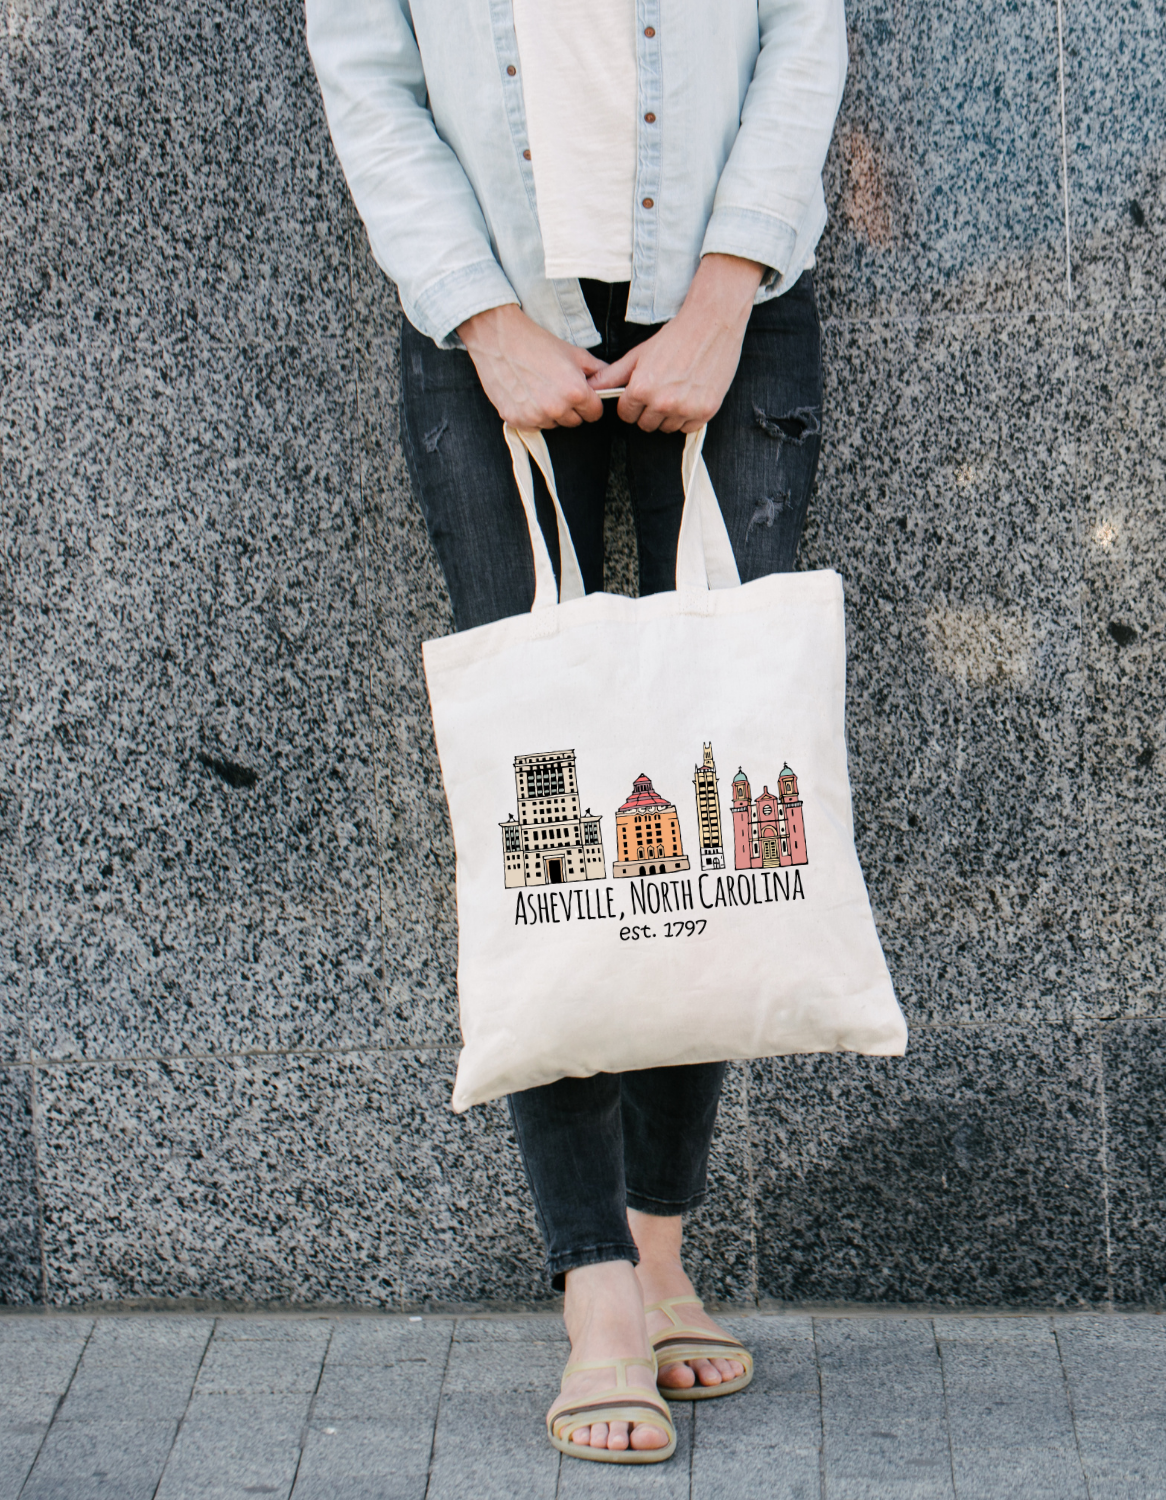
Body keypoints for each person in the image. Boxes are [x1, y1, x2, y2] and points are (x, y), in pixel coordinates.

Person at [306, 0, 847, 1464]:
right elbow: (372, 81)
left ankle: (662, 1248)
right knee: (542, 803)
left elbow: (804, 37)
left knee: (712, 789)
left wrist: (727, 295)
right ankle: (597, 1290)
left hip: (735, 298)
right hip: (483, 311)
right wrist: (484, 321)